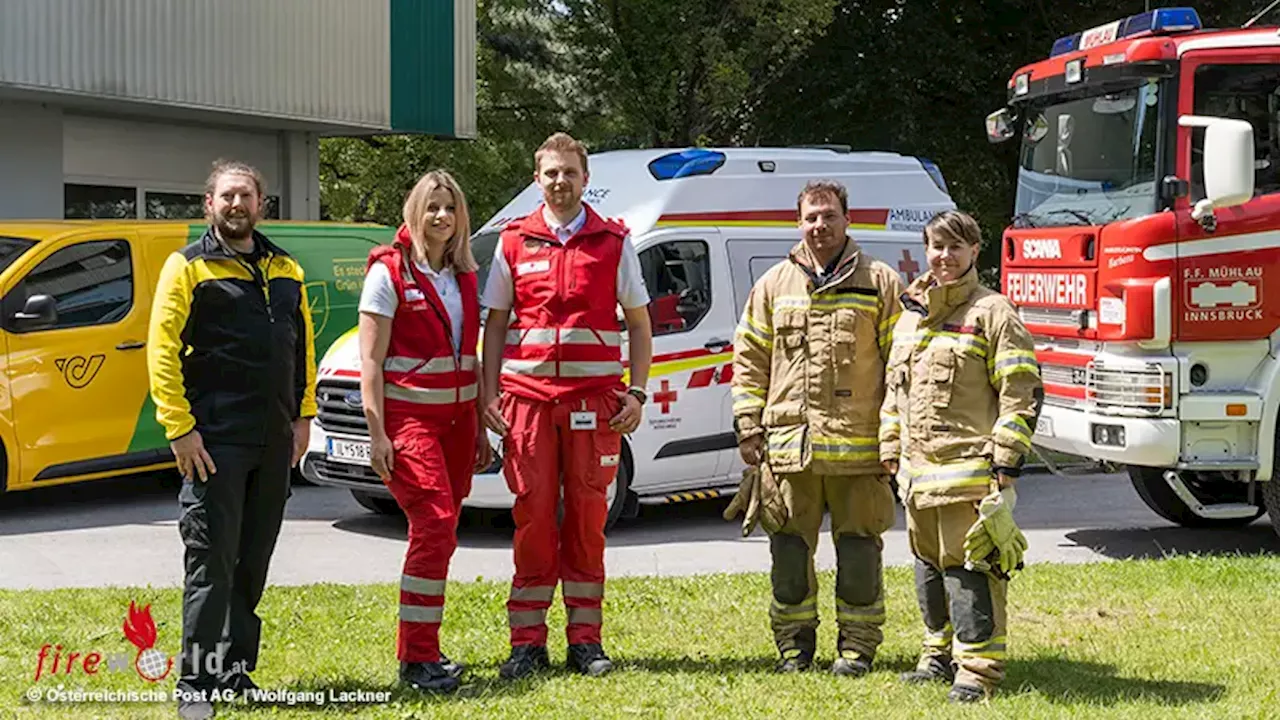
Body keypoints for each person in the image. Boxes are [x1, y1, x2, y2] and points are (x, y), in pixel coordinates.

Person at [147, 160, 317, 720]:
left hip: (272, 440)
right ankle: (196, 683)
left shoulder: (285, 267)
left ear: (261, 203)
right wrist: (180, 428)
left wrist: (303, 417)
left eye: (246, 194)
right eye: (227, 195)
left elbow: (302, 349)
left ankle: (237, 670)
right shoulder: (187, 267)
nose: (237, 204)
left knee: (252, 562)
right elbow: (161, 351)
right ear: (209, 205)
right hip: (213, 441)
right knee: (210, 562)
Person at [480, 132, 653, 679]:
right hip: (528, 403)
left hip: (593, 403)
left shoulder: (613, 241)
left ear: (586, 179)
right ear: (538, 179)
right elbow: (496, 323)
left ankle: (586, 641)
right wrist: (489, 394)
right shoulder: (513, 242)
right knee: (532, 516)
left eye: (569, 173)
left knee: (586, 519)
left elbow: (640, 321)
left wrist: (639, 392)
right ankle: (526, 644)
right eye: (550, 173)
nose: (560, 182)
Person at [727, 179, 903, 675]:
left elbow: (900, 366)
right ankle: (793, 648)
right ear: (798, 221)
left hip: (859, 451)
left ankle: (857, 649)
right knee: (787, 551)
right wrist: (748, 424)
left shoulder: (881, 283)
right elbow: (749, 359)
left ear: (848, 219)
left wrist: (893, 435)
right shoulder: (773, 285)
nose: (819, 225)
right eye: (811, 217)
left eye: (829, 215)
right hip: (789, 451)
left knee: (860, 552)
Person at [879, 210, 1042, 703]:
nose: (944, 256)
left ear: (974, 252)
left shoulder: (994, 312)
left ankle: (977, 670)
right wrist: (890, 447)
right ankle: (936, 655)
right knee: (927, 565)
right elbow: (894, 392)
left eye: (955, 247)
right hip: (916, 475)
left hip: (971, 473)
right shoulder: (910, 316)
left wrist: (1007, 457)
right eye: (936, 246)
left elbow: (1021, 390)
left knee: (971, 567)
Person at [358, 169, 491, 694]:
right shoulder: (388, 272)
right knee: (433, 524)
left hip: (459, 425)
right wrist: (376, 434)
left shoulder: (463, 276)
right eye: (432, 206)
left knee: (444, 531)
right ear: (415, 211)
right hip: (409, 422)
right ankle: (416, 658)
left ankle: (427, 648)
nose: (441, 216)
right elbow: (370, 361)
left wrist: (481, 425)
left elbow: (473, 358)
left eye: (450, 208)